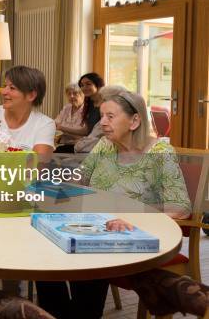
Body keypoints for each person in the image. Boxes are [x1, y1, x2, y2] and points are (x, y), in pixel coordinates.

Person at [36, 88, 192, 319]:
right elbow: (81, 177)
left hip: (133, 233)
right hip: (95, 225)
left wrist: (132, 216)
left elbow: (180, 207)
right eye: (101, 116)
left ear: (134, 120)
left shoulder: (160, 153)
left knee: (83, 258)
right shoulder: (105, 146)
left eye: (111, 116)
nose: (103, 123)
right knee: (43, 249)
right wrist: (53, 185)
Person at [0, 66, 55, 157]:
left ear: (31, 95)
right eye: (4, 86)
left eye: (12, 88)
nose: (3, 92)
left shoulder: (45, 125)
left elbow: (37, 166)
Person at [53, 83, 85, 153]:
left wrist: (62, 129)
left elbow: (83, 134)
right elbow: (55, 124)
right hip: (62, 144)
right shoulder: (67, 108)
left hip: (78, 147)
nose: (71, 96)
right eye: (69, 94)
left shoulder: (87, 110)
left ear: (82, 95)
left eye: (75, 93)